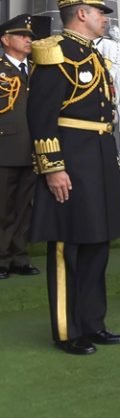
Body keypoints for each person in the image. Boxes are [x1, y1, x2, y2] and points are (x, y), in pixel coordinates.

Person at [26, 0, 120, 354]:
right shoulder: (55, 54)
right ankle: (68, 331)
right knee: (67, 249)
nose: (105, 18)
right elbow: (41, 118)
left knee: (96, 244)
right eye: (100, 11)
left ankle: (93, 322)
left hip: (98, 159)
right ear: (81, 13)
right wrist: (53, 167)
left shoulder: (95, 55)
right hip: (70, 161)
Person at [0, 14, 41, 280]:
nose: (28, 40)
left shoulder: (37, 69)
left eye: (30, 37)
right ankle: (1, 258)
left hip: (32, 149)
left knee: (25, 206)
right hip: (5, 146)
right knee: (3, 206)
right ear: (5, 40)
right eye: (22, 36)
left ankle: (19, 256)